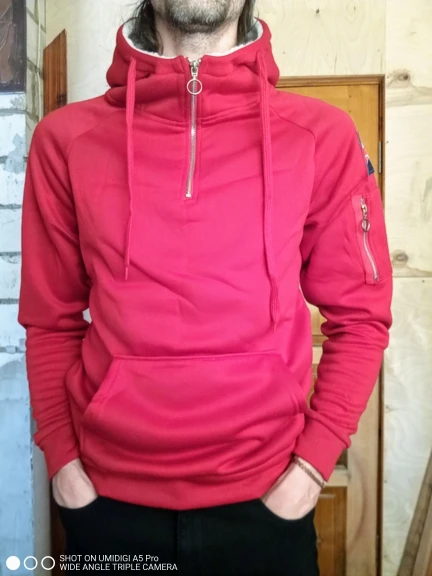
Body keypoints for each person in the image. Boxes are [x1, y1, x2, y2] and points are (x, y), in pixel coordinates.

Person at [18, 0, 393, 574]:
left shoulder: (322, 136)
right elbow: (49, 320)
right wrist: (64, 466)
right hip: (108, 507)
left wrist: (311, 469)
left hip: (269, 505)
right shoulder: (65, 140)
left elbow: (362, 317)